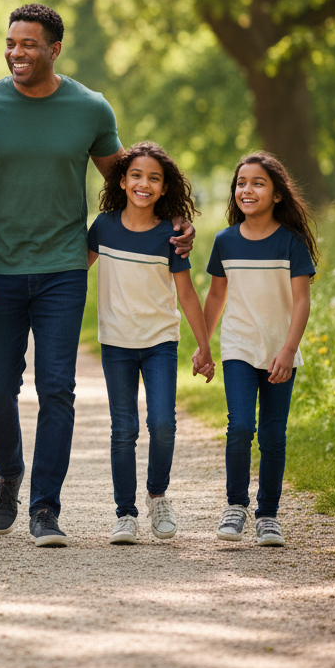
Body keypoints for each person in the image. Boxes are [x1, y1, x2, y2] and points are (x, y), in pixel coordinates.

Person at [0, 3, 194, 547]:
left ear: (55, 48)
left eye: (29, 44)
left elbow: (127, 185)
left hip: (64, 267)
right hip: (0, 270)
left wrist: (177, 218)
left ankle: (45, 508)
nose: (17, 52)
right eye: (11, 42)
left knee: (57, 390)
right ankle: (9, 471)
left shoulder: (90, 109)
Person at [86, 142, 213, 545]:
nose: (144, 183)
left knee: (162, 424)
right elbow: (72, 272)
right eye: (136, 175)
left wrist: (204, 346)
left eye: (154, 178)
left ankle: (157, 495)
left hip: (160, 341)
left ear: (164, 188)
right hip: (116, 343)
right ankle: (125, 513)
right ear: (121, 181)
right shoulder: (103, 227)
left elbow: (188, 293)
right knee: (123, 430)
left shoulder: (170, 233)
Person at [204, 152, 317, 547]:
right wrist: (204, 344)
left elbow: (301, 301)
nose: (246, 190)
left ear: (277, 194)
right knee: (239, 427)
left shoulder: (291, 242)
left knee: (273, 435)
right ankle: (235, 506)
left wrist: (288, 350)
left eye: (257, 183)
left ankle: (267, 514)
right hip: (237, 346)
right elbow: (216, 295)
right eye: (241, 183)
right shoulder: (225, 241)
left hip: (278, 351)